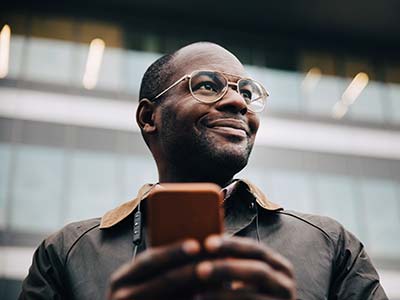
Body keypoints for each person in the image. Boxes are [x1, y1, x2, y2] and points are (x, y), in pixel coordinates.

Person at [19, 42, 387, 300]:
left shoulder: (331, 244)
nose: (237, 102)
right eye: (208, 86)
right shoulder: (65, 252)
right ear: (150, 118)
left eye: (246, 92)